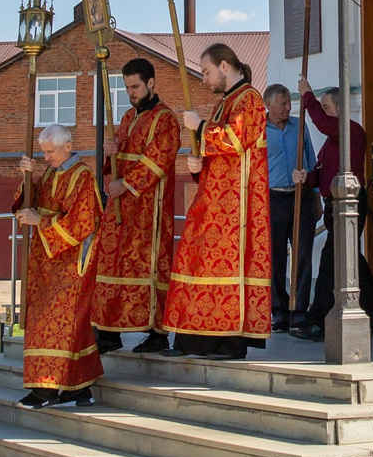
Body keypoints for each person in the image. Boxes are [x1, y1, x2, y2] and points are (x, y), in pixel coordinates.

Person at [158, 43, 271, 357]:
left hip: (238, 208)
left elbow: (235, 139)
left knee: (218, 267)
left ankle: (228, 341)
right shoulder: (225, 102)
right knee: (194, 261)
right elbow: (219, 155)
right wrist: (199, 166)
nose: (204, 79)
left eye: (207, 71)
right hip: (214, 202)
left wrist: (202, 127)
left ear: (224, 66)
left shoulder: (249, 98)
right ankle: (194, 339)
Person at [290, 84, 373, 340]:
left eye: (327, 108)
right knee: (351, 261)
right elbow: (321, 170)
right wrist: (307, 177)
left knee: (331, 260)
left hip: (349, 202)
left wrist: (308, 98)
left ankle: (319, 321)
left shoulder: (351, 131)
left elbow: (323, 124)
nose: (323, 113)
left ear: (340, 108)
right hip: (333, 203)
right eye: (322, 108)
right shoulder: (331, 141)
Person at [91, 57, 180, 356]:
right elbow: (118, 158)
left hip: (148, 210)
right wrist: (111, 150)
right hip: (120, 209)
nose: (131, 92)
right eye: (127, 87)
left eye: (136, 86)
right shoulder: (129, 116)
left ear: (151, 83)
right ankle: (108, 329)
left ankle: (157, 333)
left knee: (150, 266)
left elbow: (158, 160)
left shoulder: (166, 119)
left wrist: (125, 185)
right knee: (109, 260)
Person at [13, 123, 102, 407]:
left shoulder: (83, 176)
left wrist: (40, 221)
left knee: (54, 325)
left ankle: (46, 390)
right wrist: (27, 176)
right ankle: (78, 389)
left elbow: (82, 223)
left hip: (70, 264)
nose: (46, 157)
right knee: (63, 326)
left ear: (67, 146)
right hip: (46, 262)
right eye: (42, 152)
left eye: (50, 152)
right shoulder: (51, 172)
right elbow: (31, 199)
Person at [263, 83, 315, 332]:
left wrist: (314, 194)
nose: (288, 107)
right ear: (269, 105)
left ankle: (299, 309)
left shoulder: (299, 125)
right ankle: (280, 310)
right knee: (274, 256)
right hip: (272, 198)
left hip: (300, 197)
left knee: (303, 253)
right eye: (282, 103)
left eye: (289, 102)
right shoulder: (260, 131)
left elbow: (311, 159)